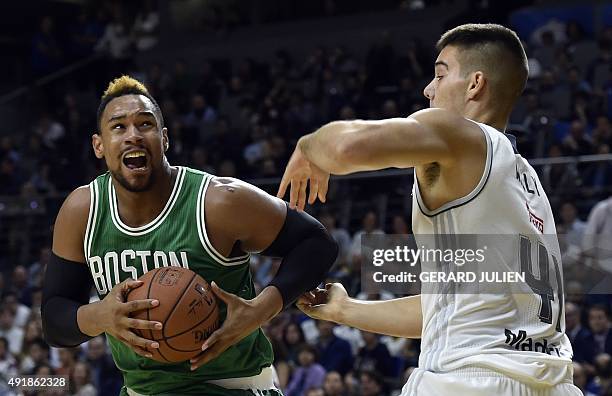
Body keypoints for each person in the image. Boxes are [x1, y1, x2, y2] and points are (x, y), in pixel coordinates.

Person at [278, 24, 581, 395]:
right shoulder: (527, 182)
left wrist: (309, 145)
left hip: (469, 381)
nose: (428, 89)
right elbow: (450, 312)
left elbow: (345, 149)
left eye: (440, 73)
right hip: (552, 384)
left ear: (475, 85)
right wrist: (346, 310)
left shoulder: (457, 134)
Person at [41, 76, 338, 395]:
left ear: (164, 138)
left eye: (145, 124)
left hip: (232, 384)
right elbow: (54, 321)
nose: (134, 136)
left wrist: (262, 308)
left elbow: (317, 243)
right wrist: (97, 316)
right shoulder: (82, 211)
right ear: (99, 145)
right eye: (118, 127)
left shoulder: (219, 201)